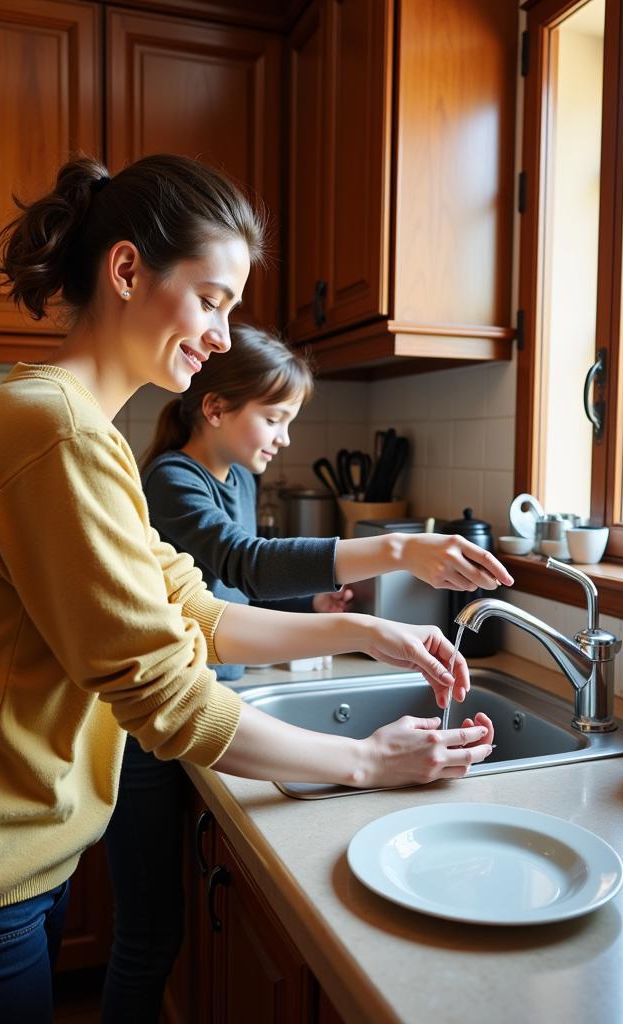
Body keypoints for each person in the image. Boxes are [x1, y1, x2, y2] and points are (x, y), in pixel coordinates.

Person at [0, 153, 498, 1024]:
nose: (223, 336)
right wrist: (367, 762)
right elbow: (167, 693)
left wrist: (367, 636)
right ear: (125, 270)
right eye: (213, 300)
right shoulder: (57, 434)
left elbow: (198, 610)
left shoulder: (76, 429)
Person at [103, 322, 511, 1021]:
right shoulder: (173, 477)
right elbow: (243, 561)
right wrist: (395, 549)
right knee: (149, 934)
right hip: (147, 734)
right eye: (275, 416)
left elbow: (229, 584)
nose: (285, 436)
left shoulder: (228, 476)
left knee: (160, 929)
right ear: (216, 409)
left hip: (209, 691)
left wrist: (313, 600)